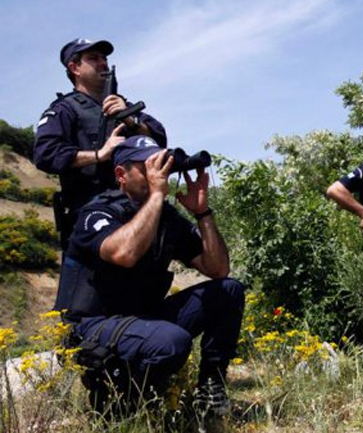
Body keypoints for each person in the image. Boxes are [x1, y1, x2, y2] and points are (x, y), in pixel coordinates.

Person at [55, 135, 244, 416]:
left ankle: (210, 392)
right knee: (172, 341)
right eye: (147, 167)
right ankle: (122, 404)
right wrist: (157, 195)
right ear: (121, 174)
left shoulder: (166, 218)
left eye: (162, 165)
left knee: (228, 290)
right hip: (92, 326)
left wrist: (202, 213)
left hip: (143, 320)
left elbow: (217, 269)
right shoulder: (97, 212)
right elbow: (124, 253)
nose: (160, 173)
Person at [34, 38, 167, 249]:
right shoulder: (64, 110)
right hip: (92, 216)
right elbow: (45, 153)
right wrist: (98, 155)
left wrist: (130, 119)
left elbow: (159, 139)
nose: (102, 63)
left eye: (104, 58)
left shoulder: (124, 106)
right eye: (93, 58)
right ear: (74, 67)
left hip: (137, 211)